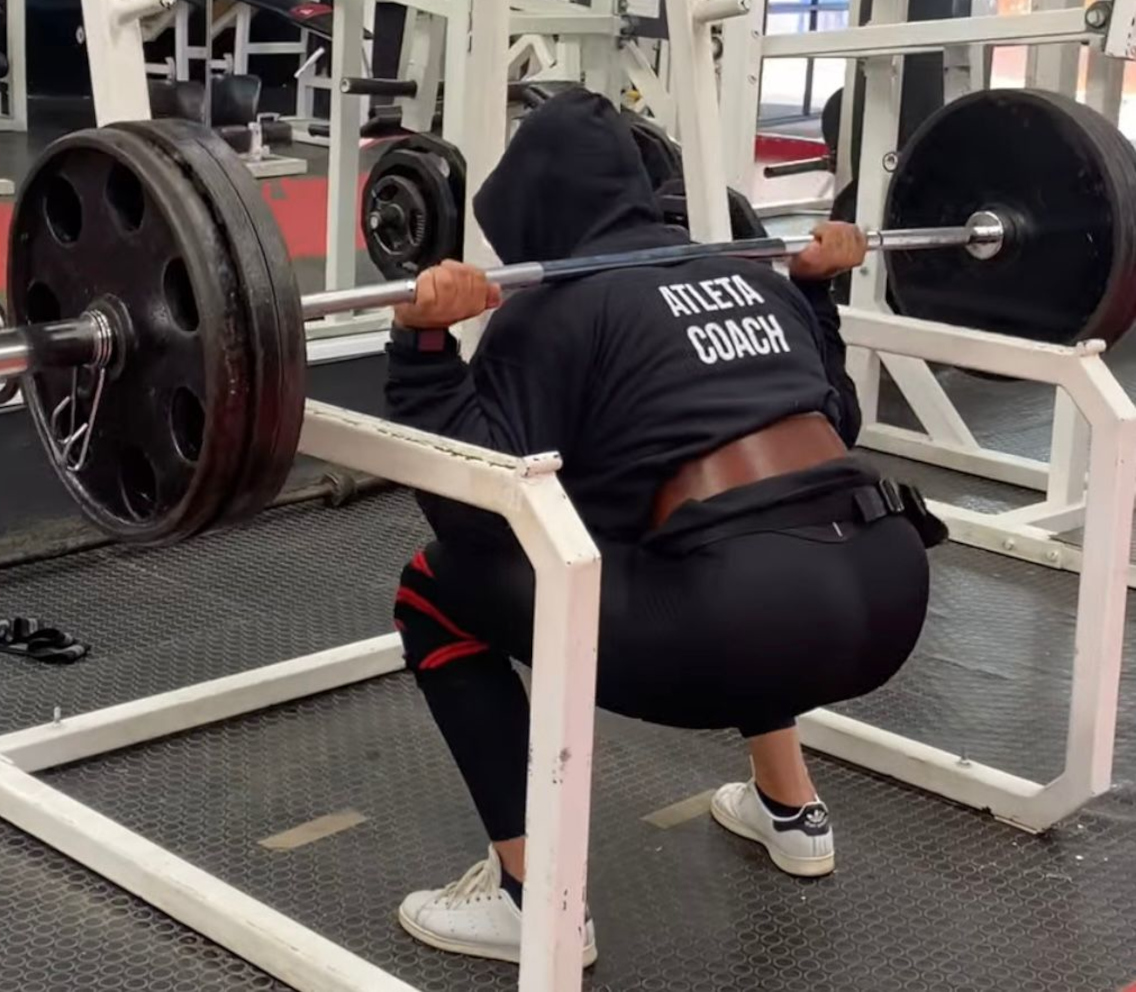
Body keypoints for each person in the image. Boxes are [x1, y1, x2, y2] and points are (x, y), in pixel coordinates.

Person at [384, 88, 934, 967]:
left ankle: (537, 905)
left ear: (531, 206)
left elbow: (477, 506)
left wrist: (420, 351)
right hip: (893, 585)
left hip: (745, 619)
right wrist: (816, 294)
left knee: (433, 590)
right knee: (727, 540)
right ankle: (790, 810)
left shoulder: (556, 306)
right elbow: (841, 417)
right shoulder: (754, 275)